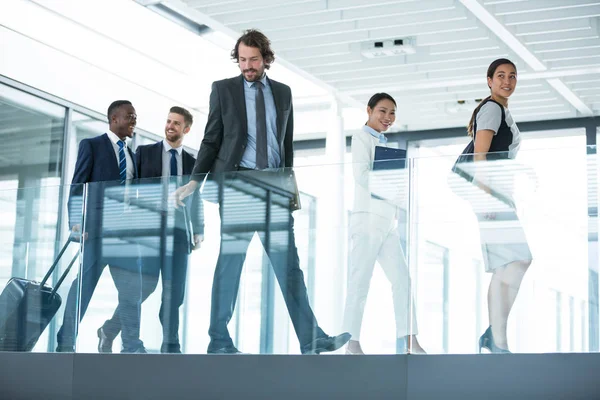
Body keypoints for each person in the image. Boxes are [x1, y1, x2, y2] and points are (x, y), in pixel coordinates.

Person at [175, 29, 351, 354]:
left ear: (266, 59)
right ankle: (218, 340)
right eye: (242, 59)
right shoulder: (224, 90)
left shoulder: (283, 93)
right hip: (239, 185)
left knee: (289, 265)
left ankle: (311, 339)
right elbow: (212, 138)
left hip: (274, 187)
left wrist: (289, 190)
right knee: (231, 263)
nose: (247, 66)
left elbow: (286, 146)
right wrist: (196, 180)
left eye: (253, 59)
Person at [96, 106, 204, 354]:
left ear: (186, 129)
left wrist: (198, 228)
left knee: (174, 293)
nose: (170, 126)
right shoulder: (144, 153)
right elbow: (129, 189)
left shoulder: (192, 162)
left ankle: (171, 344)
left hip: (178, 234)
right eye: (168, 121)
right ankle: (113, 331)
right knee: (144, 287)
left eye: (176, 123)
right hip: (148, 233)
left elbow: (196, 197)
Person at [453, 58, 532, 353]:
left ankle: (494, 334)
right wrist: (486, 196)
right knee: (514, 261)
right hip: (489, 195)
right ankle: (497, 339)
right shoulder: (491, 109)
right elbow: (480, 157)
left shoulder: (503, 111)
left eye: (512, 76)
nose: (507, 81)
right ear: (489, 80)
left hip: (499, 194)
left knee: (514, 262)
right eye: (500, 76)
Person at [56, 100, 146, 353]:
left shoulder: (131, 154)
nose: (134, 121)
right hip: (95, 233)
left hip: (125, 236)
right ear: (114, 118)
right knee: (83, 289)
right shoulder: (92, 146)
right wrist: (75, 223)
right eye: (130, 116)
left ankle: (131, 345)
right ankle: (65, 342)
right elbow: (77, 188)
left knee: (132, 293)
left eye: (135, 116)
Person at [342, 93, 425, 355]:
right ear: (369, 110)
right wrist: (390, 186)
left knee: (403, 280)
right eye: (382, 111)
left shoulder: (384, 142)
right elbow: (361, 175)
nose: (388, 118)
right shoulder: (361, 137)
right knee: (360, 281)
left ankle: (410, 340)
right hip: (367, 220)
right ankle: (351, 342)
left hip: (387, 222)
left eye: (392, 113)